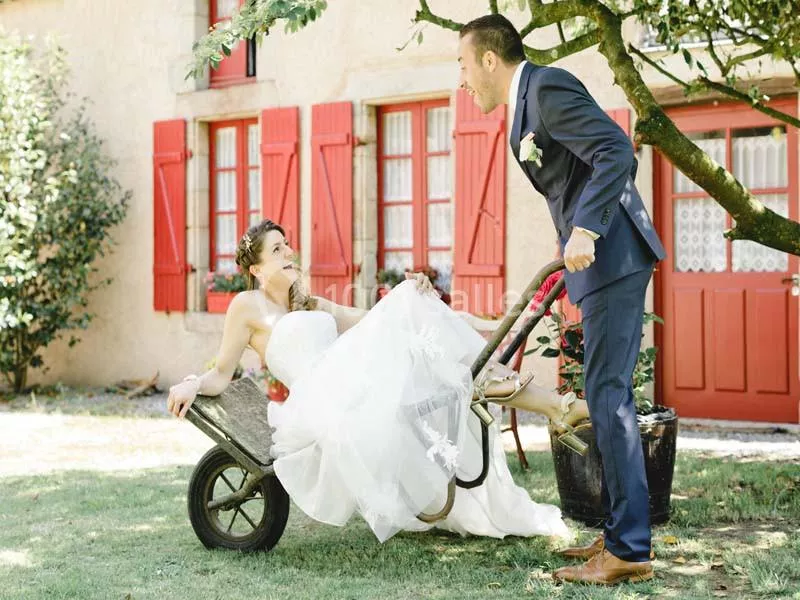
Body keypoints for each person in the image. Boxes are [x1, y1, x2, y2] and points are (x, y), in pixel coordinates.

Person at [167, 219, 590, 543]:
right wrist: (191, 382)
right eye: (277, 249)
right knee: (431, 347)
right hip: (323, 403)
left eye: (287, 244)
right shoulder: (247, 305)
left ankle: (553, 403)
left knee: (423, 328)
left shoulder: (310, 303)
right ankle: (559, 407)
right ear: (257, 268)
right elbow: (221, 372)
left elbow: (373, 319)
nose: (289, 251)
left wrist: (420, 297)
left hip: (351, 383)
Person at [456, 14, 666, 585]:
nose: (463, 80)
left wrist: (587, 230)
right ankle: (619, 534)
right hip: (599, 266)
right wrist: (572, 237)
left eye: (464, 65)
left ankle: (628, 550)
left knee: (608, 396)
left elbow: (616, 150)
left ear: (490, 60)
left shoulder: (546, 88)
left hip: (614, 257)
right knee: (603, 395)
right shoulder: (524, 109)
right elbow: (574, 180)